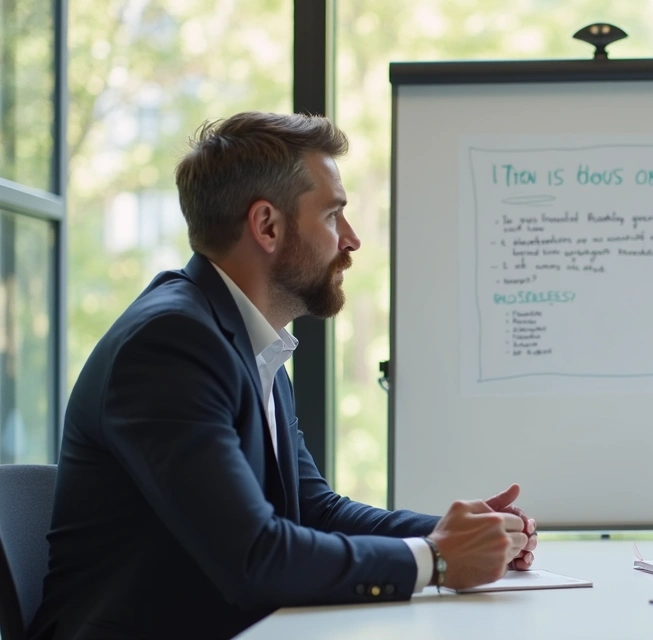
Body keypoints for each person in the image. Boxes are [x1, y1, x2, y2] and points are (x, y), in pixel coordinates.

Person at [30, 112, 538, 640]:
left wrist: (459, 535)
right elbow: (254, 557)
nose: (352, 239)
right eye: (333, 216)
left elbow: (313, 509)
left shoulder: (246, 338)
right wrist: (437, 558)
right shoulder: (170, 345)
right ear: (267, 226)